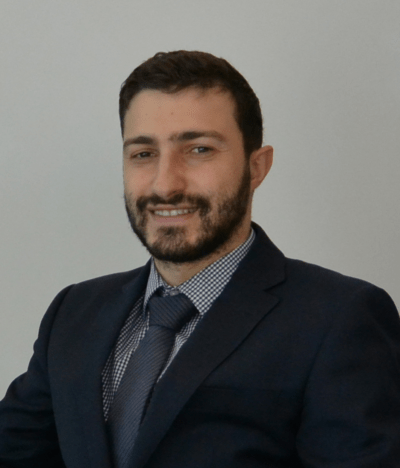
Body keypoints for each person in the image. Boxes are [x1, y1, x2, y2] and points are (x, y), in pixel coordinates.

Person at [1, 50, 400, 468]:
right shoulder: (74, 312)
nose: (165, 185)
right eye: (143, 153)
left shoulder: (339, 319)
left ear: (257, 167)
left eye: (199, 149)